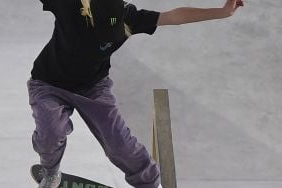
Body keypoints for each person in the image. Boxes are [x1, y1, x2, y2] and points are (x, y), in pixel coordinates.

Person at [27, 0, 243, 187]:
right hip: (48, 84)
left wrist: (221, 12)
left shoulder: (129, 17)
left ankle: (149, 184)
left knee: (120, 145)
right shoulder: (68, 5)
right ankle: (51, 172)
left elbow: (174, 16)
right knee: (51, 131)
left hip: (94, 88)